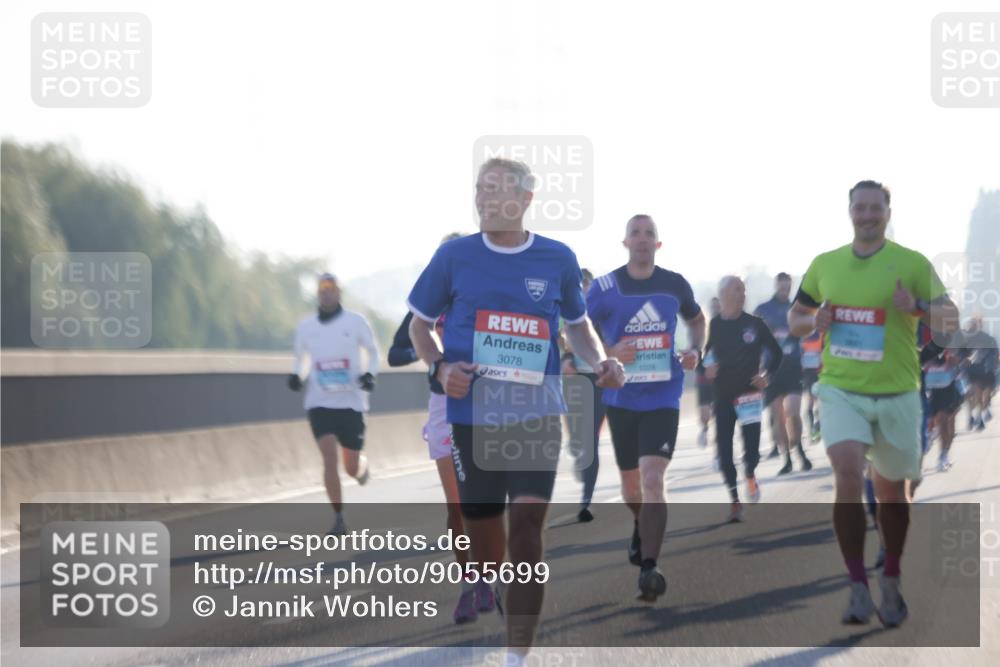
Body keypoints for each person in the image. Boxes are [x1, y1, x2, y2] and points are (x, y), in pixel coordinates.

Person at [407, 157, 625, 664]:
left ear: (525, 199)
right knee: (485, 537)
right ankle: (495, 578)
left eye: (494, 189)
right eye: (479, 189)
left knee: (527, 527)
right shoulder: (454, 257)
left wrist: (599, 361)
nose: (483, 198)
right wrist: (440, 367)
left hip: (536, 413)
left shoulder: (557, 258)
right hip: (471, 417)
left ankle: (516, 656)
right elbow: (419, 326)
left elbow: (578, 326)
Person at [788, 180, 959, 628]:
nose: (867, 215)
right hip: (841, 389)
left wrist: (915, 304)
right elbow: (795, 319)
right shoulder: (825, 265)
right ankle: (857, 586)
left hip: (898, 392)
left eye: (874, 208)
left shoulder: (913, 263)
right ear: (850, 212)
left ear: (888, 212)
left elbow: (951, 319)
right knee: (846, 472)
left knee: (892, 495)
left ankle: (891, 578)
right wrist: (814, 320)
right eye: (859, 208)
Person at [587, 214, 705, 602]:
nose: (641, 239)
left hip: (663, 395)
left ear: (658, 243)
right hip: (621, 397)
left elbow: (697, 320)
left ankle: (650, 568)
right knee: (632, 487)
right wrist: (609, 351)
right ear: (625, 243)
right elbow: (576, 331)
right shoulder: (605, 287)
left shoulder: (674, 284)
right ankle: (641, 522)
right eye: (635, 233)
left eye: (649, 233)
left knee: (653, 478)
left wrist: (696, 350)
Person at [388, 233, 493, 624]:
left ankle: (490, 578)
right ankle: (469, 585)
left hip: (487, 403)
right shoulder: (427, 302)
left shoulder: (488, 293)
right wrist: (432, 355)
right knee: (457, 506)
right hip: (443, 404)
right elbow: (397, 350)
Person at [289, 273, 378, 535]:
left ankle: (361, 468)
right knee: (329, 458)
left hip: (351, 403)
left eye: (331, 288)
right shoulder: (306, 327)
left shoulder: (355, 321)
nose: (326, 292)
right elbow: (301, 359)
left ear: (339, 292)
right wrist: (297, 376)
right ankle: (338, 518)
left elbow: (373, 352)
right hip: (320, 402)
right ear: (318, 293)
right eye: (322, 288)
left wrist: (370, 374)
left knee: (350, 467)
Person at [704, 275, 782, 522]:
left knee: (752, 452)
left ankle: (750, 473)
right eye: (737, 289)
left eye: (744, 290)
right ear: (724, 294)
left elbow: (776, 353)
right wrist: (707, 367)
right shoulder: (715, 324)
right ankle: (735, 501)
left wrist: (766, 375)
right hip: (723, 395)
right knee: (725, 451)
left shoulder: (755, 324)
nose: (742, 294)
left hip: (749, 394)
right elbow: (707, 355)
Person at [560, 268, 607, 523]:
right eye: (581, 288)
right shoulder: (564, 308)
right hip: (574, 380)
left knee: (590, 439)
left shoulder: (603, 311)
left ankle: (586, 501)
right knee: (579, 438)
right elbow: (558, 338)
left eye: (587, 287)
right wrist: (566, 359)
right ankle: (577, 451)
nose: (584, 292)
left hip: (598, 380)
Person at [754, 272, 814, 474]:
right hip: (771, 369)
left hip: (793, 366)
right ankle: (786, 458)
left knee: (794, 414)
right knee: (778, 417)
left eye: (788, 287)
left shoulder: (796, 309)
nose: (784, 290)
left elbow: (807, 333)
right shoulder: (763, 310)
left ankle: (799, 450)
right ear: (776, 285)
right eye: (782, 286)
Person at [961, 316, 998, 431]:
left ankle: (980, 415)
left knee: (983, 395)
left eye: (975, 324)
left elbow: (996, 355)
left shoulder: (989, 339)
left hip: (986, 371)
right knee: (972, 394)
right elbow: (961, 354)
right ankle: (974, 417)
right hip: (971, 371)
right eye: (971, 324)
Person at [696, 297, 722, 448]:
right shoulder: (702, 327)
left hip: (721, 377)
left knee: (720, 414)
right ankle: (705, 429)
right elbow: (695, 349)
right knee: (705, 412)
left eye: (718, 306)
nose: (715, 309)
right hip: (704, 375)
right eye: (713, 307)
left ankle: (719, 450)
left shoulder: (726, 326)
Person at [801, 330, 824, 442]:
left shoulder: (820, 335)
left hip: (816, 372)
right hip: (811, 373)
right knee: (813, 403)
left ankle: (814, 430)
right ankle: (813, 430)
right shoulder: (801, 336)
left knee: (814, 402)